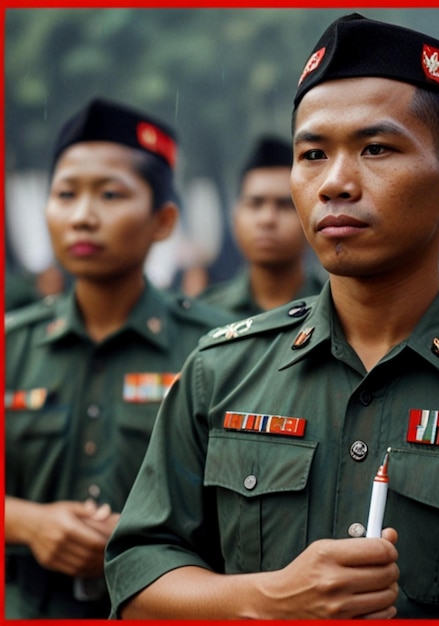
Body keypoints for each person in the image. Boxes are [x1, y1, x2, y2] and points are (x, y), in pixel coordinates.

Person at [105, 14, 439, 619]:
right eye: (313, 154)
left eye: (376, 149)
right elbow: (138, 579)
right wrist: (266, 600)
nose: (335, 183)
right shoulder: (221, 371)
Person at [4, 97, 234, 619]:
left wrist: (144, 541)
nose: (83, 216)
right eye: (65, 194)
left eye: (110, 194)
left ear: (163, 220)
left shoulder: (218, 349)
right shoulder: (11, 344)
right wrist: (28, 524)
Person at [198, 135, 324, 317]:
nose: (267, 219)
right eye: (255, 204)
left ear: (311, 217)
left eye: (284, 205)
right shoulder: (206, 314)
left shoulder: (334, 311)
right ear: (236, 217)